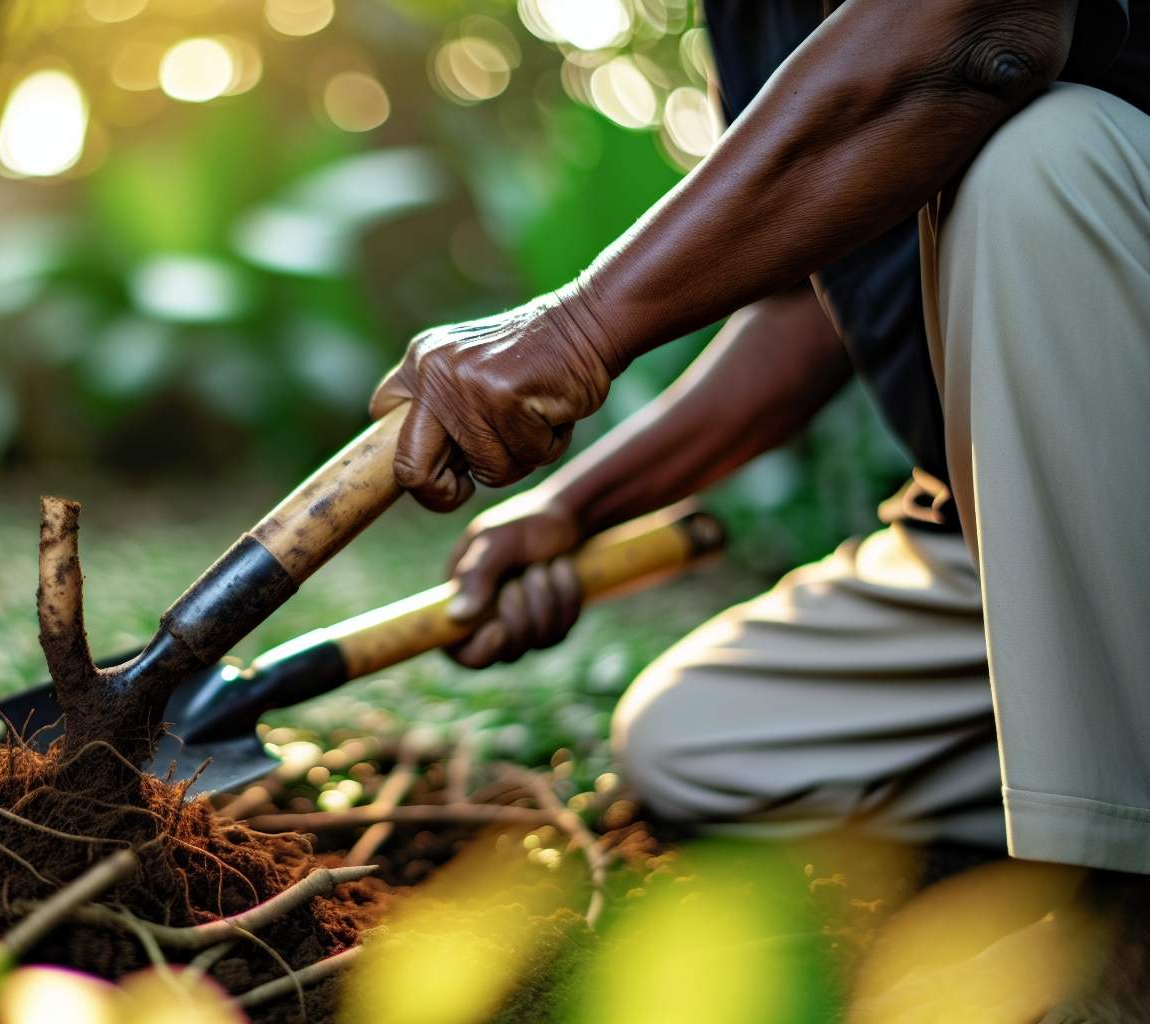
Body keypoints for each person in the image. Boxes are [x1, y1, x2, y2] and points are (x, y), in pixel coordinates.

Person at [372, 0, 1150, 882]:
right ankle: (1090, 762)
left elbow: (979, 29)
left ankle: (1118, 916)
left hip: (1126, 492)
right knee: (702, 743)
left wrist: (577, 327)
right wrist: (571, 507)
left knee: (1044, 156)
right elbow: (805, 307)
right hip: (1017, 547)